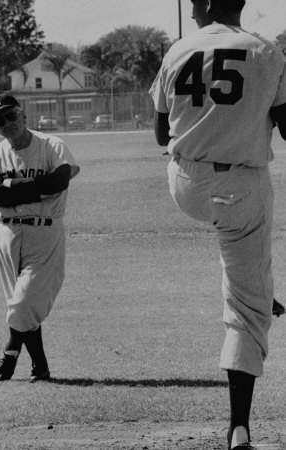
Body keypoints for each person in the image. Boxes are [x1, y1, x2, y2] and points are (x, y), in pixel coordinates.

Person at [149, 0, 286, 449]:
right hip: (240, 188)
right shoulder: (267, 50)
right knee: (246, 309)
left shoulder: (178, 49)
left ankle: (256, 284)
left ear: (207, 5)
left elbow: (159, 133)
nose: (191, 12)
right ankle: (238, 429)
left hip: (185, 183)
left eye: (193, 4)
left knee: (234, 240)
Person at [0, 94, 80, 382]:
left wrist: (12, 185)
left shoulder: (51, 145)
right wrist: (38, 187)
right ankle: (41, 367)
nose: (7, 123)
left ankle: (11, 351)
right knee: (22, 303)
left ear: (23, 115)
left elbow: (60, 180)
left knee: (23, 302)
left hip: (44, 231)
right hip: (7, 233)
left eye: (11, 116)